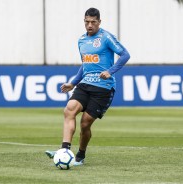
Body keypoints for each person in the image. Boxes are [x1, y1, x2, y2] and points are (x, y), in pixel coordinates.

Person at [45, 7, 130, 166]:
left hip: (103, 88)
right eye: (87, 22)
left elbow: (125, 55)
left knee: (85, 123)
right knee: (69, 109)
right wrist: (73, 83)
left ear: (99, 22)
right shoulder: (81, 40)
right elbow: (85, 65)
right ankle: (64, 150)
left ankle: (80, 156)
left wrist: (110, 71)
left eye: (93, 22)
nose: (90, 25)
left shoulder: (106, 37)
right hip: (85, 84)